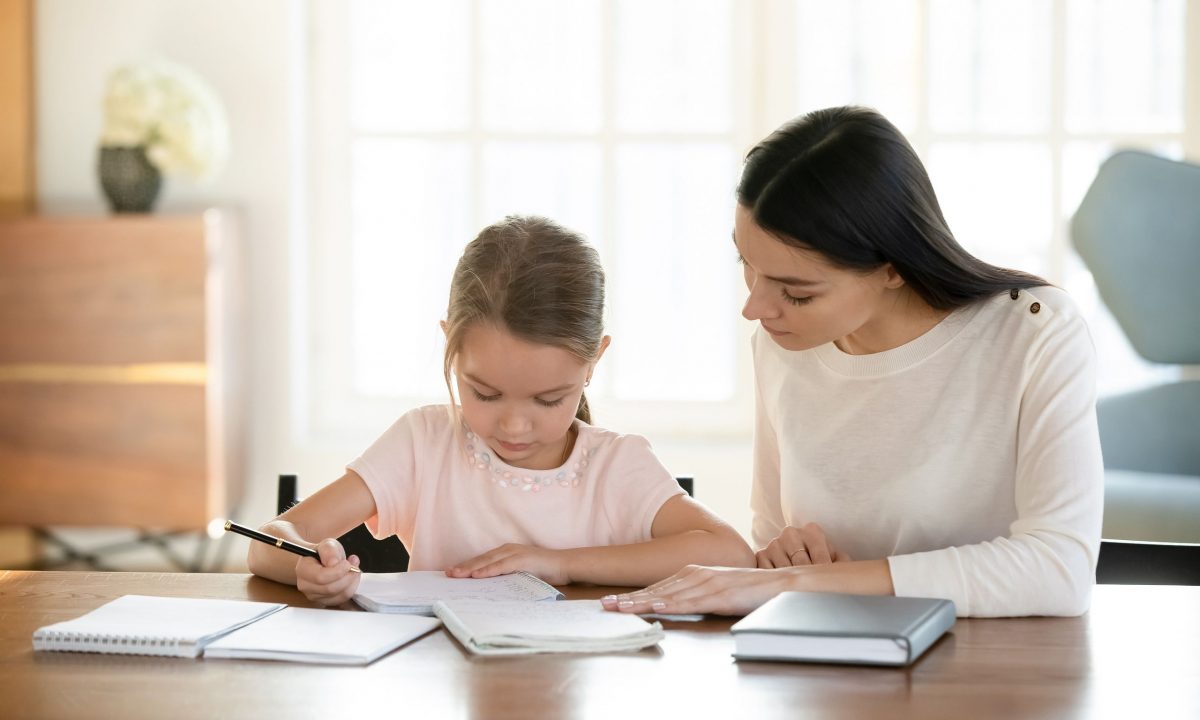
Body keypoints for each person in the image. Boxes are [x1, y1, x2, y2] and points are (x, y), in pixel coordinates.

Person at [602, 106, 1103, 618]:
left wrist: (820, 580)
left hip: (995, 671)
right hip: (830, 664)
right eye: (746, 266)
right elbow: (774, 544)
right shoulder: (782, 345)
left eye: (796, 293)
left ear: (892, 270)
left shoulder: (1034, 332)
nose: (754, 308)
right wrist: (789, 561)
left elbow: (1059, 568)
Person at [248, 215, 754, 605]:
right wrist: (306, 565)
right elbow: (266, 542)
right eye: (485, 394)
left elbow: (731, 554)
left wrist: (560, 563)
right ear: (450, 343)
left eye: (549, 399)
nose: (513, 425)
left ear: (593, 361)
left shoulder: (615, 467)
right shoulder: (424, 442)